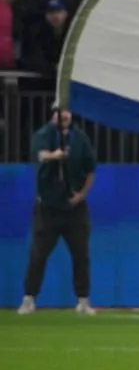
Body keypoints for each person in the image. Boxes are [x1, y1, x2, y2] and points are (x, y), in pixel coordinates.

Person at [20, 105, 98, 315]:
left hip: (75, 209)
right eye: (60, 112)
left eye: (67, 112)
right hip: (48, 208)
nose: (64, 115)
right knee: (38, 254)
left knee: (81, 255)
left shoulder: (80, 138)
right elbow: (41, 155)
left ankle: (83, 300)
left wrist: (81, 195)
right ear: (53, 114)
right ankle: (29, 299)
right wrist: (56, 155)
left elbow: (91, 170)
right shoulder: (44, 134)